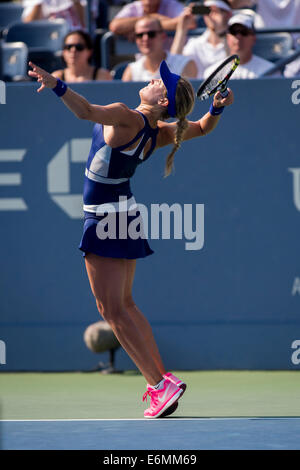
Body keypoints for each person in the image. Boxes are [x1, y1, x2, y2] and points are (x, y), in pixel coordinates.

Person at [28, 59, 234, 418]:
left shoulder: (128, 115)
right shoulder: (156, 131)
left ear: (164, 101)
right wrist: (216, 107)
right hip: (125, 213)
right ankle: (162, 377)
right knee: (125, 305)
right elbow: (201, 127)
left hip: (105, 215)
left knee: (112, 310)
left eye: (160, 82)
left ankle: (158, 384)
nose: (154, 79)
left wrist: (57, 85)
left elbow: (86, 112)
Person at [204, 12, 278, 79]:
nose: (238, 37)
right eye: (234, 32)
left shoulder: (270, 71)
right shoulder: (212, 73)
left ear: (253, 38)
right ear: (227, 37)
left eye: (244, 32)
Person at [122, 16, 197, 81]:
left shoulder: (185, 64)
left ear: (163, 36)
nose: (145, 38)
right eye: (140, 35)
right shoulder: (131, 71)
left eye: (151, 34)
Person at [170, 0, 232, 79]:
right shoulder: (195, 44)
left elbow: (235, 65)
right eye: (206, 10)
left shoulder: (238, 40)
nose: (210, 15)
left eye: (215, 11)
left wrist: (221, 30)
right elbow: (174, 65)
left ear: (228, 14)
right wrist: (182, 28)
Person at [109, 0, 187, 37]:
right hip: (145, 63)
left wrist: (137, 27)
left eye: (150, 34)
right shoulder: (134, 7)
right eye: (141, 34)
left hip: (172, 62)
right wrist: (153, 18)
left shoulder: (172, 4)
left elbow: (188, 22)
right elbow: (115, 26)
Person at [22, 0, 87, 30]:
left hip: (77, 37)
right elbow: (28, 27)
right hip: (48, 37)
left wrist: (76, 2)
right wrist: (38, 3)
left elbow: (88, 23)